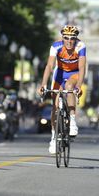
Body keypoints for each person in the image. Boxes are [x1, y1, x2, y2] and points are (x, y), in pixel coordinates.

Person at [38, 25, 86, 154]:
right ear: (62, 38)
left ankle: (73, 121)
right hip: (59, 73)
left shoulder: (80, 46)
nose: (69, 41)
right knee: (55, 106)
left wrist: (79, 86)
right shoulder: (56, 46)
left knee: (70, 87)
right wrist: (43, 84)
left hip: (74, 74)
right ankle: (53, 138)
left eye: (72, 38)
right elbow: (49, 66)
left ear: (76, 39)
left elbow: (82, 68)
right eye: (66, 38)